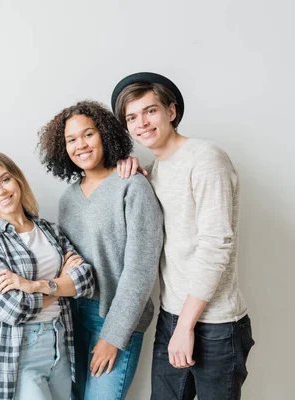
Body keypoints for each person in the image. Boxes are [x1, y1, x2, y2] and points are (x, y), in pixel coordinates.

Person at [113, 72, 254, 399]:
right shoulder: (157, 169)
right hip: (171, 316)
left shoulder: (206, 160)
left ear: (171, 112)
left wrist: (186, 327)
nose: (142, 123)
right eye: (132, 117)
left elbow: (215, 247)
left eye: (150, 111)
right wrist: (135, 174)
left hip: (215, 324)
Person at [37, 101, 164, 400]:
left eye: (88, 134)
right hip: (72, 317)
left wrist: (113, 337)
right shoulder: (68, 199)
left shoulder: (132, 186)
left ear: (104, 134)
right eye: (71, 139)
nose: (80, 145)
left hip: (114, 316)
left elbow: (141, 270)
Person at [0, 151, 96, 400]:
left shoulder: (49, 230)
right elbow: (14, 309)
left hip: (61, 341)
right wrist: (60, 281)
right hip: (21, 352)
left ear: (17, 180)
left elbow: (85, 279)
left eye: (5, 180)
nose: (1, 191)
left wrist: (33, 285)